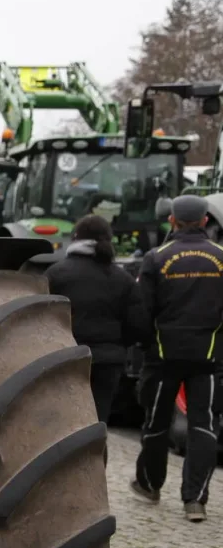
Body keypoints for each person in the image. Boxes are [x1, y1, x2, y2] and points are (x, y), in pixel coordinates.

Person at [130, 194, 223, 523]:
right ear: (205, 221)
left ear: (172, 220)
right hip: (208, 357)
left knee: (156, 423)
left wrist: (145, 346)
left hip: (163, 357)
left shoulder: (156, 258)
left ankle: (150, 484)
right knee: (204, 426)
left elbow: (143, 311)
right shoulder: (221, 257)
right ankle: (195, 500)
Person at [44, 214, 146, 424]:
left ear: (75, 238)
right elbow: (138, 326)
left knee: (64, 422)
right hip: (107, 363)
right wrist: (116, 345)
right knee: (98, 420)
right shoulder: (123, 279)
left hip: (65, 358)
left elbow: (41, 319)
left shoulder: (54, 275)